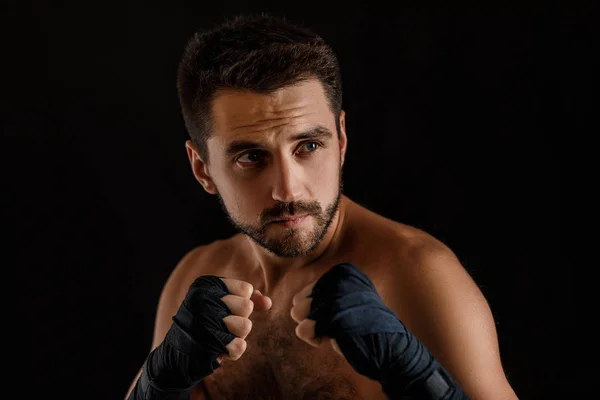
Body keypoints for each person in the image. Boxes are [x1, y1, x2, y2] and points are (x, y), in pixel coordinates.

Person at [124, 13, 518, 400]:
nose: (287, 189)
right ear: (202, 169)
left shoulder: (417, 275)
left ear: (341, 140)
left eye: (308, 146)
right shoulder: (193, 277)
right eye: (251, 157)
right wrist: (157, 386)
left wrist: (418, 376)